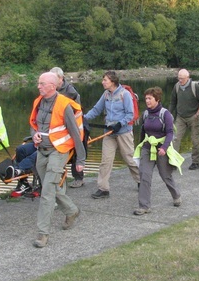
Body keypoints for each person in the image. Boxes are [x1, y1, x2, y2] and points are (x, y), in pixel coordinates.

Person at [29, 72, 85, 248]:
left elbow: (76, 134)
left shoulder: (64, 104)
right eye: (38, 83)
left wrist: (80, 159)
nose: (38, 86)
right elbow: (33, 124)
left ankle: (43, 234)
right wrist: (34, 136)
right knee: (52, 187)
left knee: (47, 192)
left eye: (42, 83)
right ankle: (72, 210)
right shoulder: (38, 101)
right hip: (41, 151)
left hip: (58, 152)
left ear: (52, 86)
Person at [84, 70, 140, 198]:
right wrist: (84, 119)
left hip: (124, 132)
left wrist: (120, 124)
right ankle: (103, 189)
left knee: (129, 159)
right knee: (105, 161)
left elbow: (130, 114)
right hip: (108, 133)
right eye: (103, 80)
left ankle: (142, 181)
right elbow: (96, 109)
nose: (102, 82)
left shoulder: (124, 94)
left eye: (105, 80)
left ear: (113, 82)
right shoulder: (106, 95)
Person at [133, 87, 183, 215]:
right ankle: (144, 206)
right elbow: (143, 132)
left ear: (157, 99)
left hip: (161, 149)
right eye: (146, 98)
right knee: (144, 175)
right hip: (147, 148)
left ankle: (176, 195)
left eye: (150, 98)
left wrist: (164, 148)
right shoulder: (145, 114)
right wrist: (140, 145)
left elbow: (170, 132)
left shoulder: (165, 114)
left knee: (166, 175)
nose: (147, 101)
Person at [51, 67, 86, 188]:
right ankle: (59, 178)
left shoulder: (70, 91)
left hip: (75, 124)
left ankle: (78, 177)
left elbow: (75, 109)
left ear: (60, 78)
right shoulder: (53, 90)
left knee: (77, 150)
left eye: (54, 79)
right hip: (60, 126)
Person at [169, 68, 199, 170]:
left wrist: (198, 114)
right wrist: (168, 114)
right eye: (179, 78)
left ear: (187, 78)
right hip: (180, 117)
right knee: (174, 139)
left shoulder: (195, 87)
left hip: (193, 117)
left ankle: (195, 162)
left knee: (195, 140)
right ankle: (173, 162)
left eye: (182, 79)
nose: (180, 80)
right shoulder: (176, 86)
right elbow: (173, 102)